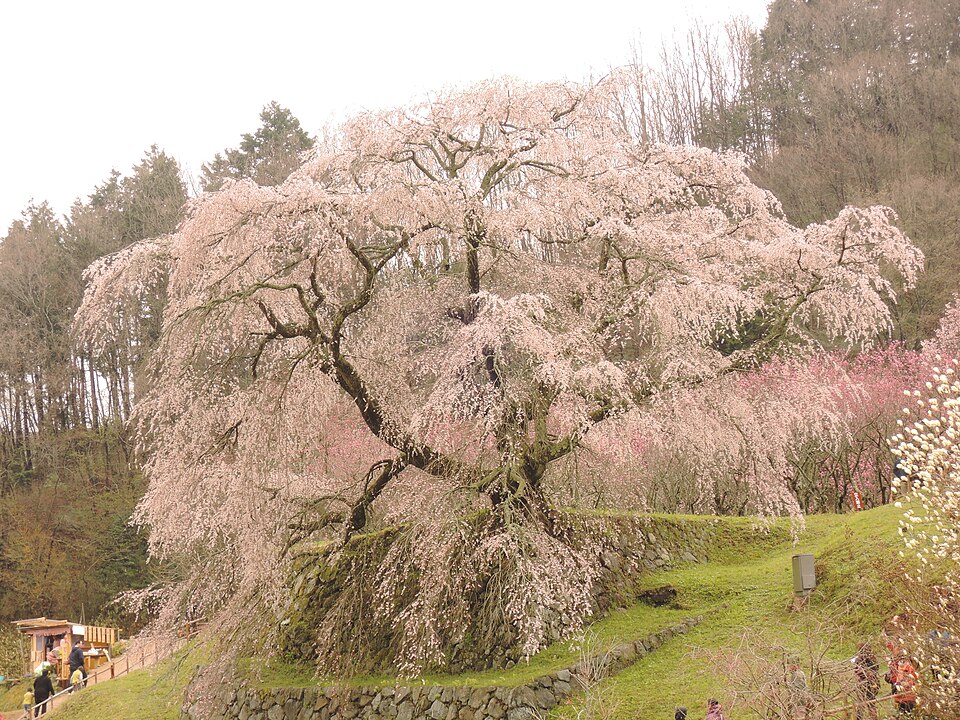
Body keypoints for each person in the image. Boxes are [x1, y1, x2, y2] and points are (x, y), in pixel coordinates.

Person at [884, 646, 918, 715]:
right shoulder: (898, 667)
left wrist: (901, 684)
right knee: (901, 713)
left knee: (908, 714)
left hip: (908, 698)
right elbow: (894, 678)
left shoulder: (910, 668)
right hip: (900, 698)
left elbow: (912, 682)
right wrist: (889, 678)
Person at [852, 642, 880, 720]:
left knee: (863, 704)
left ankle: (862, 718)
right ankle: (872, 718)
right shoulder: (873, 658)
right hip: (872, 683)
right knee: (870, 703)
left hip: (866, 684)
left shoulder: (861, 660)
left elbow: (858, 671)